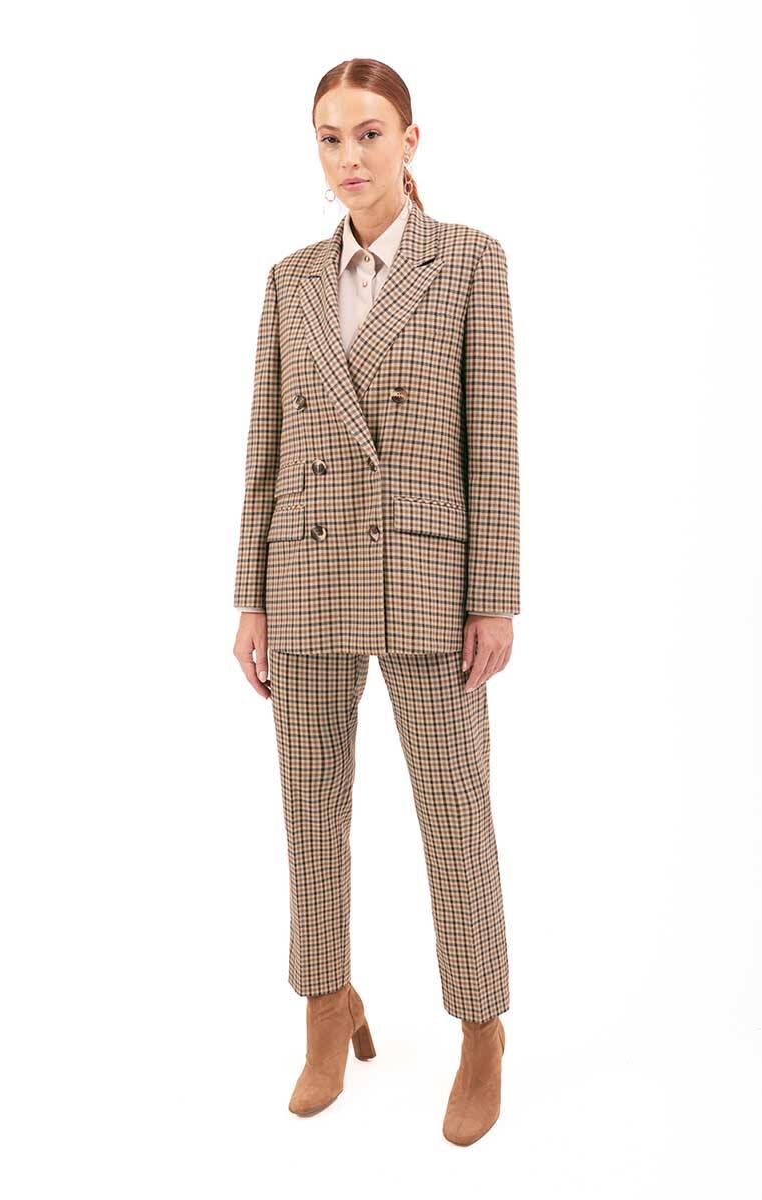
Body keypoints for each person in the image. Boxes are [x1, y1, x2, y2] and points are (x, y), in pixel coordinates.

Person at [232, 57, 520, 1146]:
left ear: (409, 139)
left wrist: (494, 595)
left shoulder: (469, 261)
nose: (347, 158)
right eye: (329, 137)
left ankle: (481, 1029)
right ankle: (326, 1005)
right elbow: (264, 448)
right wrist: (250, 595)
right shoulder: (289, 279)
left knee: (455, 814)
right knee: (310, 814)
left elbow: (491, 440)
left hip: (425, 576)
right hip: (304, 570)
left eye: (367, 134)